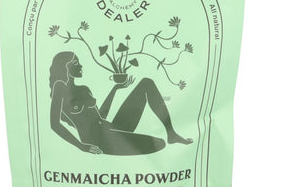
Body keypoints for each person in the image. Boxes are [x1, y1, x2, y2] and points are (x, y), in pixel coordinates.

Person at [49, 51, 192, 155]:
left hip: (112, 128)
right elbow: (55, 125)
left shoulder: (84, 89)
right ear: (64, 67)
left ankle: (171, 133)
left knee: (146, 83)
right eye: (75, 63)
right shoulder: (59, 87)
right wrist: (81, 146)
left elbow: (101, 116)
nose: (80, 66)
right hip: (99, 141)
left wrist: (115, 89)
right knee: (158, 144)